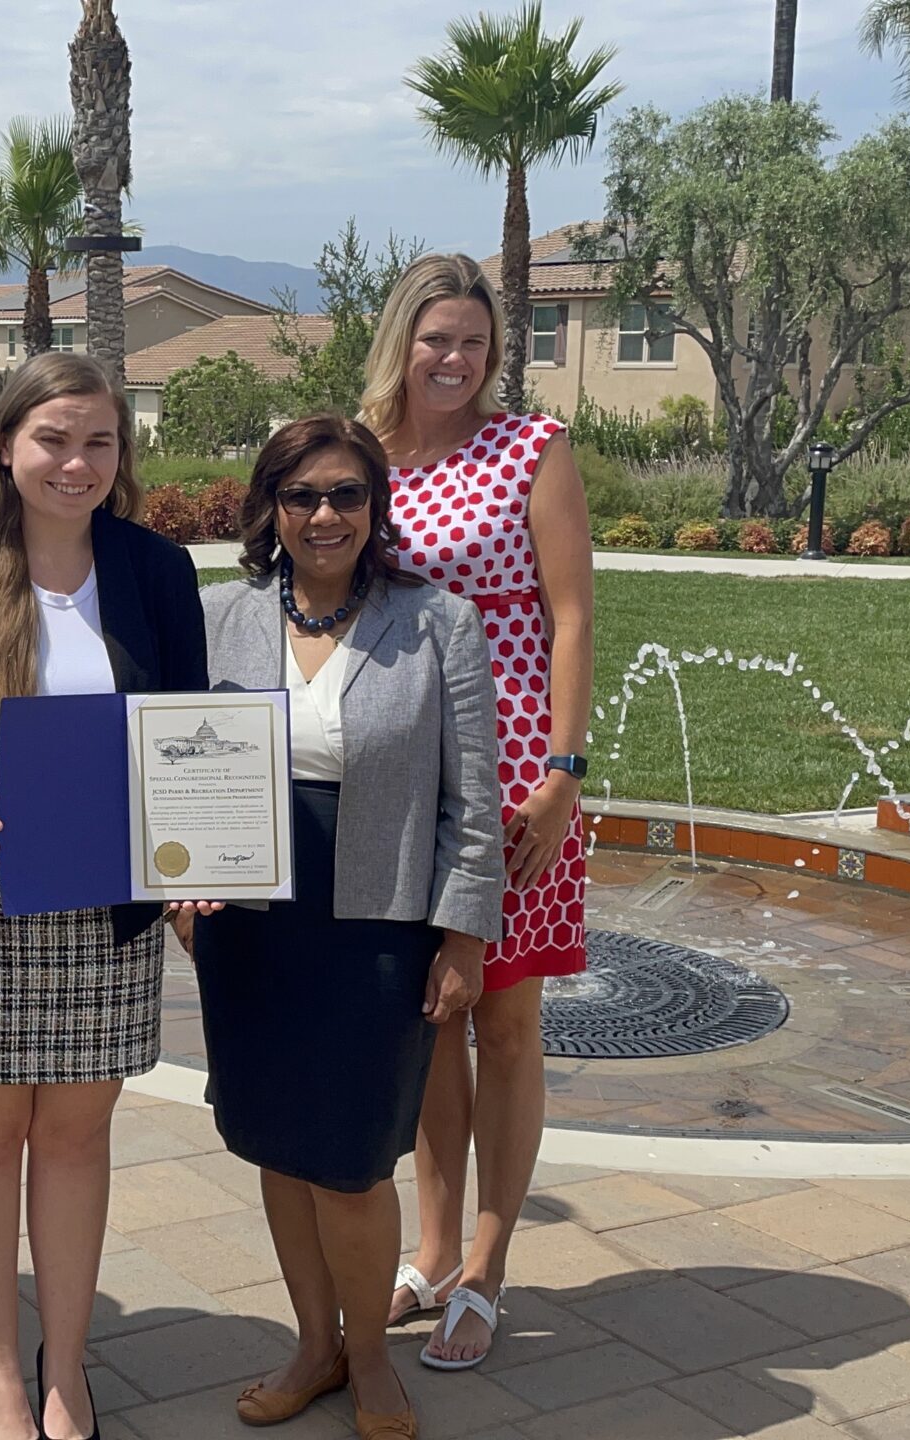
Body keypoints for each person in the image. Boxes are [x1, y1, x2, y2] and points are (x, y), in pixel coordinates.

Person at [0, 353, 206, 1440]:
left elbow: (185, 732)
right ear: (7, 446)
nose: (77, 462)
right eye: (55, 439)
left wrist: (203, 868)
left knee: (73, 1139)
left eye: (99, 441)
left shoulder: (155, 572)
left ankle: (68, 1370)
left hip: (102, 903)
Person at [187, 416, 503, 1439]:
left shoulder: (436, 621)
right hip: (252, 924)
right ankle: (312, 1343)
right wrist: (178, 888)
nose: (325, 515)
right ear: (270, 509)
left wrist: (462, 936)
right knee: (281, 1144)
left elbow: (476, 797)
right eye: (303, 496)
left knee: (356, 1160)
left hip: (378, 924)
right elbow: (177, 765)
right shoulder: (218, 617)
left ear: (376, 509)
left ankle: (370, 1356)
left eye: (347, 496)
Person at [358, 255, 596, 1371]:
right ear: (399, 341)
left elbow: (572, 613)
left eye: (475, 342)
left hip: (512, 774)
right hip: (403, 770)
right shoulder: (364, 461)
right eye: (436, 338)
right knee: (426, 1020)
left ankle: (488, 1271)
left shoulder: (531, 451)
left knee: (501, 1020)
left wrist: (563, 770)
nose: (455, 359)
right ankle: (432, 1248)